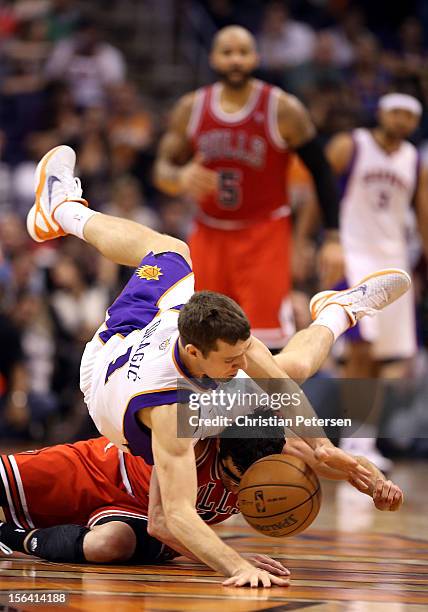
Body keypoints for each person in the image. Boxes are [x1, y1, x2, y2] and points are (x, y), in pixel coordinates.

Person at [24, 144, 409, 587]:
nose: (240, 364)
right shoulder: (168, 411)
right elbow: (172, 519)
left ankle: (62, 209)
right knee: (279, 373)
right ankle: (339, 315)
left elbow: (281, 387)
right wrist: (237, 564)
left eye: (241, 353)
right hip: (107, 378)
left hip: (147, 333)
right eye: (230, 360)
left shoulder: (223, 340)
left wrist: (322, 447)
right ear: (194, 352)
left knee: (172, 251)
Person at [153, 25, 343, 350]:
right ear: (214, 58)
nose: (235, 60)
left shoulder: (282, 108)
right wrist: (180, 177)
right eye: (227, 53)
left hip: (264, 233)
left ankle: (265, 403)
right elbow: (162, 168)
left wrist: (332, 238)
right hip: (209, 234)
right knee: (202, 336)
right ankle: (211, 403)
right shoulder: (191, 108)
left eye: (242, 52)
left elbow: (322, 170)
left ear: (255, 57)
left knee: (265, 341)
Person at [0, 418, 403, 566]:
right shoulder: (190, 436)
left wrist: (376, 486)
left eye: (247, 486)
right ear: (219, 446)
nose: (236, 491)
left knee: (110, 545)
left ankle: (11, 539)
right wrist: (232, 559)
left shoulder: (282, 449)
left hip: (150, 521)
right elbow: (163, 520)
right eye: (231, 478)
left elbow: (338, 461)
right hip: (106, 469)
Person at [325, 92, 428, 469]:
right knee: (360, 351)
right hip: (352, 256)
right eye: (396, 111)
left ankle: (364, 442)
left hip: (393, 260)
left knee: (380, 359)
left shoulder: (414, 162)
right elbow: (322, 194)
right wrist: (314, 240)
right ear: (382, 112)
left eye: (409, 115)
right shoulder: (351, 144)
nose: (401, 120)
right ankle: (351, 440)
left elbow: (422, 217)